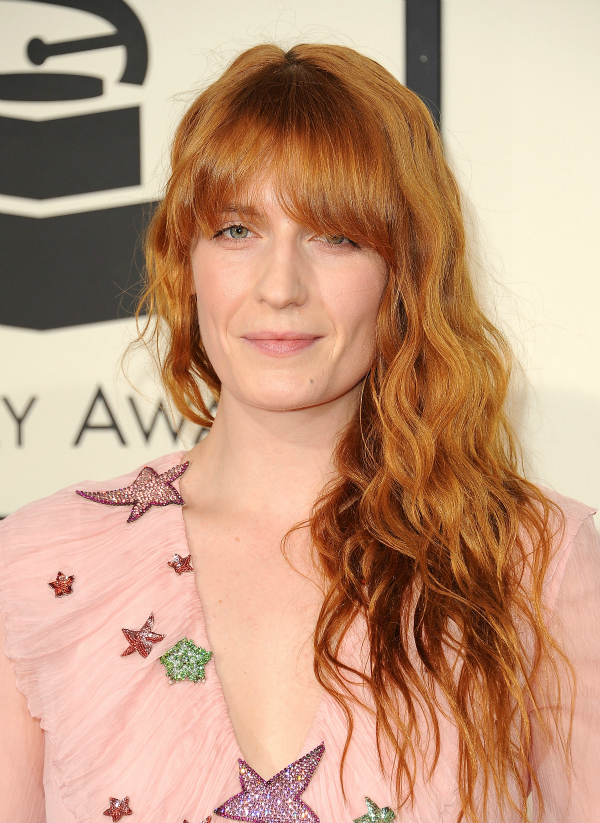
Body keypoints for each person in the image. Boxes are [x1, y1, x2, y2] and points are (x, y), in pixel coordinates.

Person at [0, 43, 598, 823]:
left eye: (335, 236)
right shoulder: (36, 564)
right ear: (186, 259)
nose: (280, 287)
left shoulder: (531, 561)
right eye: (237, 230)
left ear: (405, 272)